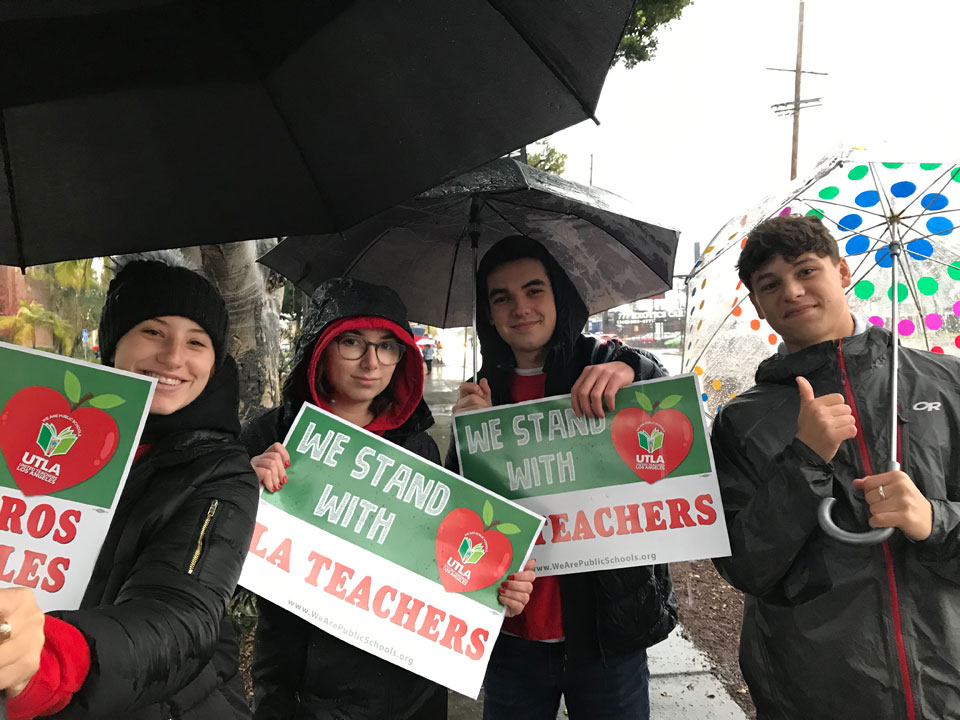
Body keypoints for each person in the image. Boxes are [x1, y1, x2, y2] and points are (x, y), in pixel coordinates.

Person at [241, 277, 534, 720]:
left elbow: (446, 559)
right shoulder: (269, 437)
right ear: (319, 349)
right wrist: (240, 497)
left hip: (406, 691)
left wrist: (500, 583)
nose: (371, 362)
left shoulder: (419, 450)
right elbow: (214, 564)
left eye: (388, 346)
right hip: (297, 687)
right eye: (352, 342)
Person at [711, 214, 960, 720]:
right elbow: (745, 566)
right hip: (811, 693)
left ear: (843, 272)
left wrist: (934, 519)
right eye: (771, 284)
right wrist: (803, 459)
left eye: (806, 271)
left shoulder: (945, 385)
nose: (793, 291)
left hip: (944, 683)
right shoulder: (744, 419)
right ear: (757, 304)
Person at [0, 256, 260, 719]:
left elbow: (181, 616)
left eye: (196, 342)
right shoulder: (41, 429)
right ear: (113, 342)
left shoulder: (223, 472)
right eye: (153, 332)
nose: (174, 357)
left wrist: (56, 658)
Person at [445, 236, 677, 720]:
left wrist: (633, 368)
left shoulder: (601, 362)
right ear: (488, 314)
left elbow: (677, 410)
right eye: (501, 297)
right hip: (512, 638)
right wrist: (470, 437)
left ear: (559, 297)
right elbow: (455, 514)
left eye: (534, 290)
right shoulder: (481, 391)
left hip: (606, 634)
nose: (520, 307)